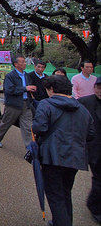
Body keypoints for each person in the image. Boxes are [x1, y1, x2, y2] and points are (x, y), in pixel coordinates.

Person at [32, 75, 95, 226]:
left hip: (52, 156)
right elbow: (91, 134)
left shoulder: (46, 104)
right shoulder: (82, 108)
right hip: (75, 158)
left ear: (51, 89)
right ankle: (64, 221)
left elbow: (39, 127)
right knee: (65, 193)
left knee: (55, 196)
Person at [0, 55, 36, 148]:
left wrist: (31, 90)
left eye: (25, 61)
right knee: (6, 123)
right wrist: (25, 88)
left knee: (28, 127)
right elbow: (9, 90)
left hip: (26, 104)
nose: (24, 63)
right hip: (13, 105)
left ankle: (30, 148)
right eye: (22, 62)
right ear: (16, 64)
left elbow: (28, 88)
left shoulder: (27, 75)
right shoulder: (10, 76)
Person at [79, 77, 101, 223]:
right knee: (99, 178)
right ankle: (95, 207)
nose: (100, 91)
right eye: (98, 87)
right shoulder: (85, 102)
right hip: (94, 147)